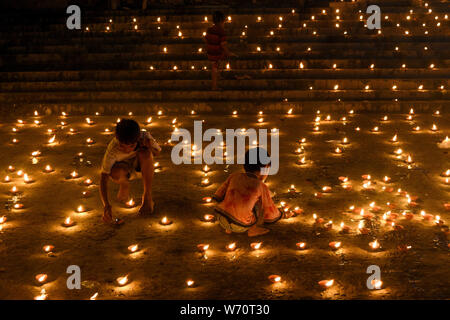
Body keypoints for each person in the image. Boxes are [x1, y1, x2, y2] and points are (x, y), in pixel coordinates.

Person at [100, 118, 161, 224]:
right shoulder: (112, 149)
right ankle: (124, 184)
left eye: (131, 146)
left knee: (146, 153)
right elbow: (103, 177)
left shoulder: (144, 137)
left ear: (138, 139)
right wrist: (106, 205)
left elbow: (157, 153)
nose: (127, 150)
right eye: (122, 146)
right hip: (122, 172)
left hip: (140, 168)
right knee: (113, 170)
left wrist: (149, 146)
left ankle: (147, 197)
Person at [213, 147, 282, 237]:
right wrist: (282, 214)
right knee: (260, 202)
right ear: (265, 167)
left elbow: (218, 196)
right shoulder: (261, 186)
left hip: (221, 218)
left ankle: (228, 229)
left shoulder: (234, 176)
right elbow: (270, 213)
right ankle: (253, 229)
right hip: (241, 225)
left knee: (234, 196)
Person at [204, 11, 237, 90]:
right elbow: (223, 44)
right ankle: (214, 86)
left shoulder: (209, 29)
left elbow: (205, 39)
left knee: (216, 65)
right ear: (222, 21)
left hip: (210, 51)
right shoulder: (221, 31)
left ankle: (218, 76)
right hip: (217, 52)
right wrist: (228, 53)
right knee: (215, 68)